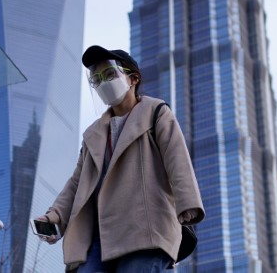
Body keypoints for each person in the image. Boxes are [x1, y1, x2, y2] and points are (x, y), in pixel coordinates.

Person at [36, 45, 204, 272]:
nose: (103, 83)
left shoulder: (156, 112)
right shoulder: (93, 134)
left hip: (144, 228)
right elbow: (77, 183)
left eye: (110, 74)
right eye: (96, 79)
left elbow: (177, 158)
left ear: (133, 78)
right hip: (96, 236)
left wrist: (188, 202)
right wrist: (54, 216)